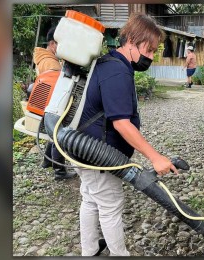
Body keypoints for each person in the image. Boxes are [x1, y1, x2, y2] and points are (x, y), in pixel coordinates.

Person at [74, 13, 179, 256]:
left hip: (83, 149)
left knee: (90, 200)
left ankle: (89, 251)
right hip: (98, 156)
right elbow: (121, 123)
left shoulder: (110, 62)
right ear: (131, 39)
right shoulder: (117, 71)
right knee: (110, 205)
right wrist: (155, 157)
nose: (150, 57)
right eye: (149, 50)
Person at [33, 26, 76, 180]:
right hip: (52, 103)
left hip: (46, 103)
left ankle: (47, 162)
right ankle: (60, 172)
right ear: (52, 44)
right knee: (58, 134)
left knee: (52, 133)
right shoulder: (50, 63)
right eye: (60, 44)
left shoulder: (45, 58)